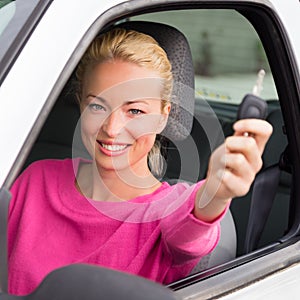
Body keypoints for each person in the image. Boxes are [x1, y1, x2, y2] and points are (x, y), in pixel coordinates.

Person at [8, 28, 272, 295]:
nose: (112, 128)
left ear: (162, 117)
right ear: (80, 104)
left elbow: (192, 227)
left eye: (135, 111)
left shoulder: (168, 210)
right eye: (97, 106)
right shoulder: (35, 179)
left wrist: (217, 191)